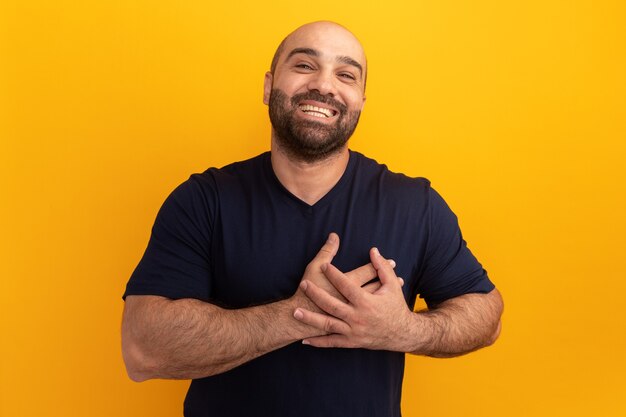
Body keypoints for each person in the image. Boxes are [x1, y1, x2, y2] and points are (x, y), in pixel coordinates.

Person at [121, 21, 503, 417]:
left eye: (346, 74)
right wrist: (297, 315)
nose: (324, 85)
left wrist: (404, 330)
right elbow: (142, 350)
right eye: (304, 65)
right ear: (269, 86)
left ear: (360, 102)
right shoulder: (204, 200)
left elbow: (486, 317)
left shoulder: (414, 205)